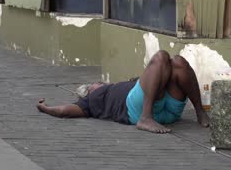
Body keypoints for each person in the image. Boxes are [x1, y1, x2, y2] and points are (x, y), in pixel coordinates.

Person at [36, 50, 210, 133]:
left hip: (169, 111)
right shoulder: (93, 99)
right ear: (89, 91)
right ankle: (146, 118)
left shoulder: (117, 85)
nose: (98, 83)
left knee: (178, 62)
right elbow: (66, 111)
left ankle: (200, 111)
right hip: (137, 110)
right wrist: (46, 108)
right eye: (93, 85)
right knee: (161, 57)